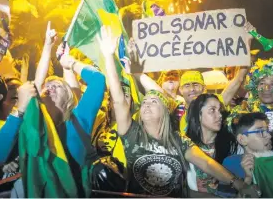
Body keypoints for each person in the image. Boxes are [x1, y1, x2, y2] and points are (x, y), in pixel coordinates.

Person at [98, 25, 259, 197]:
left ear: (166, 110)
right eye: (144, 102)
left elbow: (206, 163)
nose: (146, 104)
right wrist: (109, 56)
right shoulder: (132, 135)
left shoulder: (179, 141)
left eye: (153, 102)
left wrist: (238, 184)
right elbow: (119, 100)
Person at [0, 22, 106, 196]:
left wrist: (69, 62)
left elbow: (98, 81)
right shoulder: (29, 124)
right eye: (47, 85)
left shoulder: (78, 123)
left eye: (57, 86)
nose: (49, 86)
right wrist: (19, 111)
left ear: (68, 102)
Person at [223, 112, 273, 184]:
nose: (269, 136)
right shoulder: (231, 163)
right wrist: (248, 178)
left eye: (268, 131)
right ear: (242, 139)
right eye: (260, 132)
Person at [185, 93, 238, 197]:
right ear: (198, 115)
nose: (219, 115)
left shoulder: (233, 145)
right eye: (212, 110)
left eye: (219, 110)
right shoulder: (185, 146)